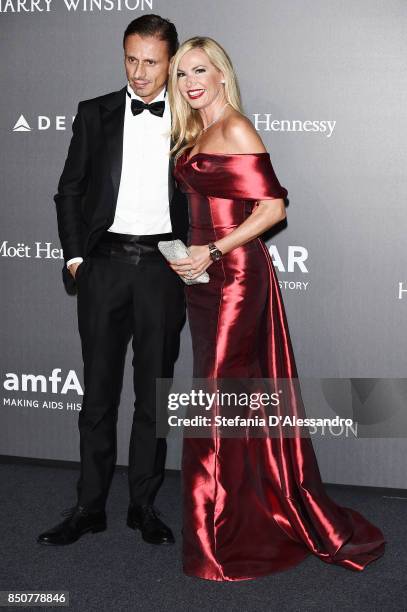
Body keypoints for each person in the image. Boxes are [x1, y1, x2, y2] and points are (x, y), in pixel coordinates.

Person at [167, 36, 385, 581]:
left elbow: (273, 208)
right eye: (182, 74)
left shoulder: (236, 127)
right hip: (201, 277)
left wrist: (214, 250)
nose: (191, 82)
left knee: (217, 401)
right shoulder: (195, 130)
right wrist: (192, 255)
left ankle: (215, 535)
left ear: (221, 73)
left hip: (236, 276)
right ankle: (243, 511)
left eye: (201, 70)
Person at [37, 15, 188, 547]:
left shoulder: (192, 119)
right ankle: (88, 506)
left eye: (151, 62)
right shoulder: (95, 112)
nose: (139, 72)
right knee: (97, 394)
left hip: (163, 270)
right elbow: (69, 190)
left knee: (155, 396)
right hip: (102, 266)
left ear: (170, 62)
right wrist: (77, 258)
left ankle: (143, 507)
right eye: (130, 59)